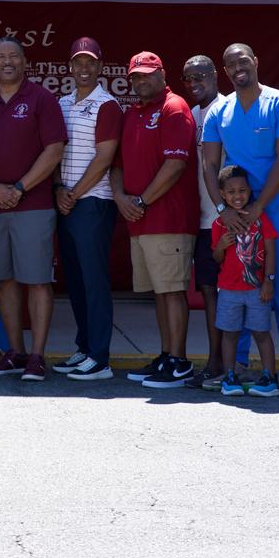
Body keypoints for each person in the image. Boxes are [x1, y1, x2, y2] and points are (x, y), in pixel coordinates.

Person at [201, 43, 279, 396]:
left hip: (273, 208)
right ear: (225, 71)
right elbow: (209, 163)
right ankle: (241, 366)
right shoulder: (220, 111)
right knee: (239, 285)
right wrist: (223, 209)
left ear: (256, 61)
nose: (237, 68)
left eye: (242, 61)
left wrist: (260, 205)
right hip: (236, 210)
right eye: (230, 64)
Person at [0, 37, 67, 381]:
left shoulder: (42, 99)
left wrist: (20, 187)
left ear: (25, 62)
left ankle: (37, 357)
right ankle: (15, 352)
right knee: (5, 282)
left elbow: (54, 150)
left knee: (37, 281)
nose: (7, 62)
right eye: (0, 57)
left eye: (14, 56)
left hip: (33, 206)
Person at [112, 52, 198, 389]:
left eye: (147, 74)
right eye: (136, 76)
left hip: (168, 219)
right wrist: (121, 198)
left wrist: (141, 201)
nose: (141, 80)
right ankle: (166, 355)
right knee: (160, 294)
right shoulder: (133, 113)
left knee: (173, 291)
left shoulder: (174, 108)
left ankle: (179, 362)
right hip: (140, 219)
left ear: (162, 74)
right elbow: (117, 165)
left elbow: (175, 165)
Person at [52, 38, 122, 382]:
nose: (84, 68)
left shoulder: (107, 105)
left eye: (90, 62)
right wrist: (59, 190)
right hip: (67, 202)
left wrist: (74, 193)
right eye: (78, 62)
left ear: (100, 67)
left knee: (94, 280)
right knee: (76, 281)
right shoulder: (62, 103)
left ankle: (100, 357)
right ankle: (84, 347)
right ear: (70, 67)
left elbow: (105, 157)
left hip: (93, 201)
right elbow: (54, 151)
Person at [212, 166, 279, 398]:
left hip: (256, 289)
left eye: (242, 190)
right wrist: (221, 246)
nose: (237, 196)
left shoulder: (260, 218)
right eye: (231, 192)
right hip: (229, 290)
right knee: (229, 334)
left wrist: (269, 281)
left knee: (261, 333)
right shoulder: (219, 224)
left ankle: (269, 378)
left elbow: (271, 250)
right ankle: (229, 376)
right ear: (222, 195)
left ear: (250, 191)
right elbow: (216, 258)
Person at [182, 55, 226, 388]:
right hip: (198, 219)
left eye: (200, 76)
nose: (194, 83)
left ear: (214, 75)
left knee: (230, 294)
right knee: (209, 291)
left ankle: (225, 364)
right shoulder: (191, 114)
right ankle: (216, 363)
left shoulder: (227, 110)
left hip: (223, 218)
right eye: (188, 78)